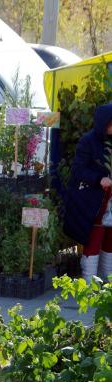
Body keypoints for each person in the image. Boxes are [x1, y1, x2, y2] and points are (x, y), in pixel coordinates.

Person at [64, 103, 112, 282]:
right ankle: (89, 284)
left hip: (111, 202)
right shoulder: (88, 141)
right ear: (104, 122)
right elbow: (77, 170)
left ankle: (107, 283)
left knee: (110, 242)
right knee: (94, 241)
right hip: (94, 202)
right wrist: (99, 179)